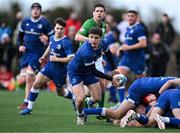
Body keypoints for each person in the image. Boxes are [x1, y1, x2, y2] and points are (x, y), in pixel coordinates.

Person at [19, 18, 76, 115]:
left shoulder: (66, 42)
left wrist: (57, 59)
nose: (59, 31)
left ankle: (74, 98)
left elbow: (71, 58)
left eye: (61, 29)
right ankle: (29, 108)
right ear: (54, 28)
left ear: (64, 30)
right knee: (36, 83)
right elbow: (50, 47)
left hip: (60, 71)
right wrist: (43, 56)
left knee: (60, 92)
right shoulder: (52, 37)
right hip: (49, 67)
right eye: (57, 28)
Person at [68, 27, 121, 125]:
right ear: (88, 37)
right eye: (91, 37)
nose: (93, 40)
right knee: (80, 98)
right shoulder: (86, 51)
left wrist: (114, 68)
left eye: (96, 38)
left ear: (100, 38)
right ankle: (80, 115)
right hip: (76, 72)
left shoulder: (103, 43)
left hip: (87, 71)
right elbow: (94, 71)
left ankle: (89, 103)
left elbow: (108, 53)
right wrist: (111, 78)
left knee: (97, 98)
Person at [83, 77, 177, 123]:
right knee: (117, 114)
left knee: (119, 117)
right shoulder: (175, 87)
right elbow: (170, 82)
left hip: (143, 86)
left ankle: (109, 117)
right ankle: (84, 112)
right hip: (139, 89)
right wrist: (147, 119)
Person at [75, 3, 111, 119]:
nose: (99, 13)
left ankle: (99, 113)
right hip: (85, 57)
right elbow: (77, 37)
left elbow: (101, 44)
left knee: (103, 86)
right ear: (93, 13)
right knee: (88, 90)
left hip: (97, 58)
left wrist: (101, 57)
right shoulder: (88, 23)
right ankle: (83, 107)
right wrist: (91, 40)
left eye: (101, 11)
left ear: (104, 13)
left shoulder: (104, 26)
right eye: (97, 11)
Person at [17, 3, 54, 110]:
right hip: (26, 53)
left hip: (37, 54)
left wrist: (47, 39)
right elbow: (19, 37)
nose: (35, 11)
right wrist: (21, 45)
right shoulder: (25, 22)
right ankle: (38, 84)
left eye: (38, 9)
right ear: (31, 11)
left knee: (29, 76)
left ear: (40, 11)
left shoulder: (45, 23)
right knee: (23, 78)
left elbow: (53, 39)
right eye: (33, 9)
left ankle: (27, 102)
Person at [115, 10, 147, 105]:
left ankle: (144, 105)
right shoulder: (128, 28)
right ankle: (121, 103)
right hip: (127, 58)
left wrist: (128, 47)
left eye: (132, 16)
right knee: (118, 78)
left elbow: (143, 43)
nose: (130, 17)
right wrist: (120, 48)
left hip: (137, 60)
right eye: (128, 16)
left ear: (136, 17)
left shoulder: (139, 28)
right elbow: (127, 43)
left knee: (142, 84)